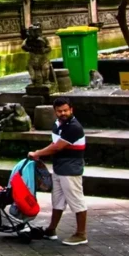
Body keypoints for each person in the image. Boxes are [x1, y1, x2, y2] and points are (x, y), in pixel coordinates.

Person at [28, 96, 87, 245]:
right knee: (57, 201)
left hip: (71, 170)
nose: (63, 113)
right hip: (59, 168)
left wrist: (37, 153)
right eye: (60, 111)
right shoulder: (57, 124)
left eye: (66, 110)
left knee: (77, 201)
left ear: (71, 109)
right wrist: (41, 153)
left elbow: (57, 147)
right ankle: (51, 229)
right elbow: (54, 143)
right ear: (55, 112)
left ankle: (81, 234)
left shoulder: (73, 127)